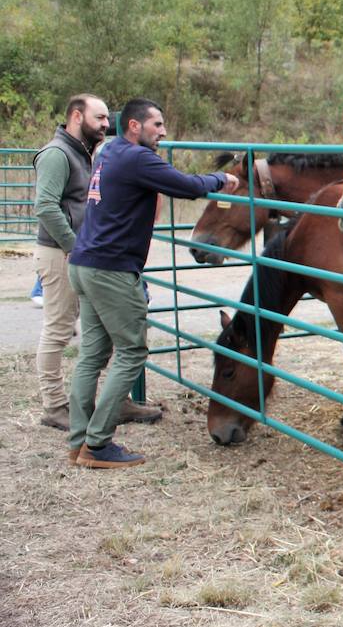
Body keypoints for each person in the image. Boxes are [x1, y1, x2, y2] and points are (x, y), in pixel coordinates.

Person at [66, 98, 240, 469]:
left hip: (85, 263)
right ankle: (97, 445)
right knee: (131, 352)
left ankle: (79, 440)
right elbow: (186, 185)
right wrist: (222, 179)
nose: (162, 132)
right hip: (111, 270)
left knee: (93, 355)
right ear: (133, 126)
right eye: (156, 124)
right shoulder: (136, 158)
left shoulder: (109, 152)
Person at [31, 95, 165, 431]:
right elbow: (46, 206)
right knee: (59, 329)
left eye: (108, 119)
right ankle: (54, 405)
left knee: (102, 333)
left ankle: (115, 401)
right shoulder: (57, 154)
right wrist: (75, 247)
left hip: (83, 253)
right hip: (62, 252)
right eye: (101, 117)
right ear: (77, 116)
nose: (107, 124)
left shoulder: (87, 153)